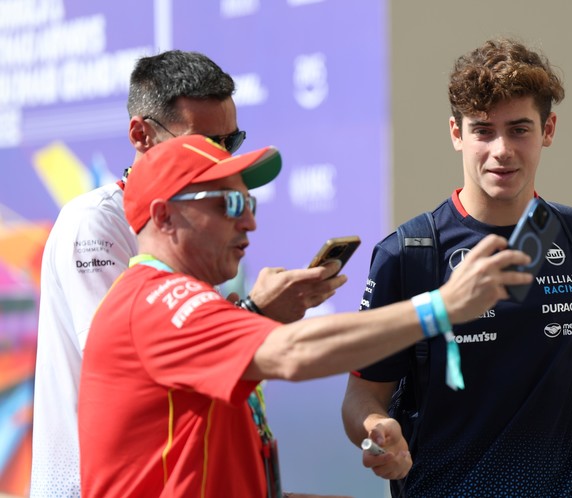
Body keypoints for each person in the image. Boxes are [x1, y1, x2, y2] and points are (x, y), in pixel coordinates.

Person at [76, 134, 533, 497]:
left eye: (250, 204)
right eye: (229, 204)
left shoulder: (170, 304)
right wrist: (444, 307)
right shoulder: (157, 302)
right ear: (164, 217)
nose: (249, 222)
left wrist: (260, 315)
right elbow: (293, 354)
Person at [341, 38, 572, 497]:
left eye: (519, 129)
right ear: (456, 133)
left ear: (548, 130)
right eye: (483, 130)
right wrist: (378, 430)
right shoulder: (408, 254)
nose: (501, 149)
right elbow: (362, 396)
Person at [30, 50, 344, 498]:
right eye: (202, 142)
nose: (219, 160)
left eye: (229, 143)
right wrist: (258, 315)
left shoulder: (196, 220)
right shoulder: (94, 222)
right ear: (140, 134)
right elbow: (141, 358)